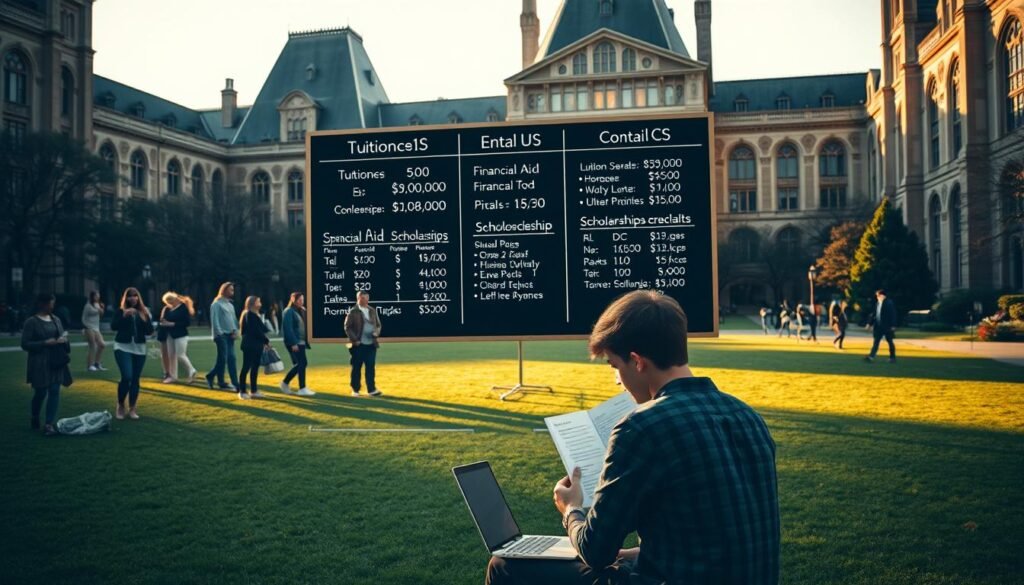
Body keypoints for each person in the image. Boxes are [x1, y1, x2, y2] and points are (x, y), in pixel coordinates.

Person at [485, 290, 780, 585]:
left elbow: (595, 551)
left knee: (504, 565)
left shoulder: (642, 427)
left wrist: (571, 508)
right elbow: (719, 532)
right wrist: (639, 552)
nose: (617, 380)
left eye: (615, 366)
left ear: (637, 361)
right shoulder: (747, 416)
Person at [21, 293, 73, 436]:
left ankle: (49, 424)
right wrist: (44, 343)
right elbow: (25, 344)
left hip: (55, 362)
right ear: (42, 304)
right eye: (51, 303)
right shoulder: (31, 322)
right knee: (41, 392)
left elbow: (63, 337)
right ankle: (35, 416)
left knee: (54, 391)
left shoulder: (56, 319)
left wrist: (64, 340)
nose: (53, 306)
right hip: (39, 362)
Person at [111, 287, 154, 420]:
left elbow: (149, 331)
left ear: (138, 297)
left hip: (139, 348)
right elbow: (114, 326)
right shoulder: (121, 311)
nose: (133, 298)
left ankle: (132, 408)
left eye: (135, 296)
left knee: (135, 379)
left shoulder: (143, 311)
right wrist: (124, 316)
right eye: (130, 296)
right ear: (126, 298)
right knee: (127, 376)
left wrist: (146, 317)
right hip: (122, 347)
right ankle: (120, 404)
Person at [344, 290, 382, 397]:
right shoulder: (353, 311)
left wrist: (376, 332)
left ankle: (371, 389)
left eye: (367, 298)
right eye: (364, 298)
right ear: (359, 298)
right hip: (358, 345)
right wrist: (355, 340)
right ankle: (355, 390)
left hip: (371, 344)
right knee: (356, 368)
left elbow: (378, 325)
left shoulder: (372, 310)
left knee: (370, 367)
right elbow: (347, 327)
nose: (367, 300)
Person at [206, 282, 240, 391]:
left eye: (233, 289)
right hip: (221, 336)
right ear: (224, 290)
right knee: (223, 359)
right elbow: (214, 320)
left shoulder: (230, 305)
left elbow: (234, 320)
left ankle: (231, 382)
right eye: (230, 289)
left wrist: (235, 331)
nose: (232, 291)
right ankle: (212, 376)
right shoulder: (216, 304)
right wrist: (219, 333)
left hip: (230, 335)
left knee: (231, 358)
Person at [280, 292, 315, 396]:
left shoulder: (302, 310)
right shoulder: (288, 311)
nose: (301, 302)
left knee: (300, 364)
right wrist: (293, 343)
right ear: (293, 300)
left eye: (302, 300)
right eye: (299, 300)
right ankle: (300, 388)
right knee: (302, 363)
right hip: (295, 342)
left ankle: (286, 384)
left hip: (301, 341)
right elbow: (288, 328)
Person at [159, 292, 198, 383]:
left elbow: (186, 323)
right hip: (169, 335)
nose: (169, 304)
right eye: (167, 302)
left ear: (175, 299)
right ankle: (173, 376)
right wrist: (163, 322)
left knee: (180, 354)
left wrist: (172, 324)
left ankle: (192, 370)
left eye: (170, 301)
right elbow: (163, 319)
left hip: (181, 335)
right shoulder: (168, 309)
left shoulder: (183, 308)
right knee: (171, 355)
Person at [238, 295, 270, 400]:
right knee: (246, 367)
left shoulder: (255, 315)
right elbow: (256, 331)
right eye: (258, 301)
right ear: (253, 303)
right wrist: (266, 341)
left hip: (256, 345)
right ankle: (242, 391)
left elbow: (263, 329)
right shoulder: (249, 315)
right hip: (250, 345)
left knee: (255, 368)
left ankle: (253, 391)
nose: (260, 303)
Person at [866, 289, 897, 363]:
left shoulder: (889, 303)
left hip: (887, 327)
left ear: (883, 295)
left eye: (878, 295)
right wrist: (869, 324)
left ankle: (892, 357)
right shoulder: (878, 303)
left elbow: (893, 314)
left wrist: (893, 325)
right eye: (877, 295)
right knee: (876, 342)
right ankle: (871, 356)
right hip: (878, 327)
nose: (877, 297)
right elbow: (874, 314)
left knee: (890, 341)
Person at [81, 291, 107, 371]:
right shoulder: (88, 306)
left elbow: (101, 314)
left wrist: (102, 308)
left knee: (102, 345)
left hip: (96, 328)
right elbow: (84, 317)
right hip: (88, 327)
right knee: (93, 346)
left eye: (98, 296)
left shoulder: (97, 305)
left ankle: (97, 363)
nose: (98, 297)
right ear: (92, 297)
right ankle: (90, 366)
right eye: (96, 296)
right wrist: (100, 309)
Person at [156, 301, 172, 381]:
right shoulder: (167, 309)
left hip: (169, 334)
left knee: (169, 354)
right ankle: (167, 372)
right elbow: (162, 321)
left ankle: (169, 372)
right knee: (165, 354)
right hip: (164, 334)